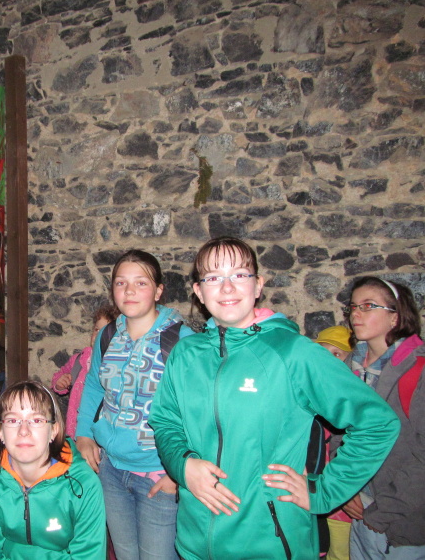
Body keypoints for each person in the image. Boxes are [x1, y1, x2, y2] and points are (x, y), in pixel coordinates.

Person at [148, 236, 400, 560]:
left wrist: (323, 491)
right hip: (194, 542)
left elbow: (377, 423)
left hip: (270, 543)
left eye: (239, 274)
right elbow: (165, 421)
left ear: (258, 285)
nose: (227, 287)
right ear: (199, 291)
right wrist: (183, 466)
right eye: (213, 277)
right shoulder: (186, 354)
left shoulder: (292, 352)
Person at [75, 249, 193, 560]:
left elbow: (199, 411)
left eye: (141, 283)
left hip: (159, 473)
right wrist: (84, 434)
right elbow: (93, 386)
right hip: (112, 470)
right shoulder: (108, 335)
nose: (129, 291)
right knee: (126, 554)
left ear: (158, 291)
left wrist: (179, 472)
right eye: (121, 283)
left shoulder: (181, 341)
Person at [0, 380, 107, 559]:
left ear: (53, 431)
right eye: (12, 420)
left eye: (36, 420)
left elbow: (89, 555)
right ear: (0, 432)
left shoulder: (83, 485)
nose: (23, 430)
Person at [341, 277, 425, 559]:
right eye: (353, 306)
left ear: (395, 317)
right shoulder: (350, 368)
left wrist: (385, 510)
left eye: (368, 306)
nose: (356, 314)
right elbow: (339, 432)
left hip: (405, 519)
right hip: (360, 508)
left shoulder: (418, 370)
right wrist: (344, 489)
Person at [314, 326, 354, 560]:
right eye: (323, 352)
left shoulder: (352, 399)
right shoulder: (312, 394)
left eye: (337, 354)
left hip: (343, 501)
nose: (329, 360)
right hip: (317, 498)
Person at [51, 304, 118, 438]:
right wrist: (60, 382)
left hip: (101, 431)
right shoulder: (80, 359)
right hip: (74, 427)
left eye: (104, 332)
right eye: (96, 329)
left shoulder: (117, 364)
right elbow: (60, 374)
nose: (98, 335)